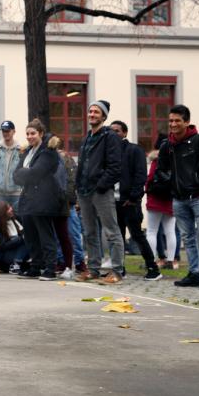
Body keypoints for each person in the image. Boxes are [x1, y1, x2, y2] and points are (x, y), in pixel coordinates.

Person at [157, 105, 199, 289]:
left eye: (177, 120)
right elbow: (160, 170)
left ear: (186, 122)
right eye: (171, 120)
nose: (173, 124)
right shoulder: (166, 145)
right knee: (188, 238)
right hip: (178, 199)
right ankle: (194, 273)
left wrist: (197, 180)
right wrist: (170, 182)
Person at [74, 100, 125, 285]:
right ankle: (94, 269)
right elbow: (82, 165)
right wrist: (78, 189)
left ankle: (117, 271)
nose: (92, 114)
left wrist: (101, 185)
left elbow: (115, 167)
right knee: (89, 232)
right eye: (90, 111)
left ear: (103, 116)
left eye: (96, 112)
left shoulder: (110, 137)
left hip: (101, 191)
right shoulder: (87, 137)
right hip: (84, 191)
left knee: (111, 231)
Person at [109, 120, 162, 281]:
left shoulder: (134, 150)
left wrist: (133, 197)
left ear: (124, 133)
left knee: (137, 235)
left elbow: (140, 176)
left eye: (117, 131)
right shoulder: (109, 152)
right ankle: (120, 269)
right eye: (111, 131)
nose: (114, 134)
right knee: (117, 237)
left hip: (129, 202)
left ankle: (153, 268)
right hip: (113, 201)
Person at [13, 120, 62, 280]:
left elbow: (37, 172)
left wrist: (25, 172)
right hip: (28, 199)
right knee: (31, 236)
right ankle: (35, 266)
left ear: (40, 134)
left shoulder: (48, 152)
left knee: (45, 235)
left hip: (43, 199)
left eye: (33, 133)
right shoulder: (28, 152)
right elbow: (16, 175)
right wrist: (26, 173)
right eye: (27, 134)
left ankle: (50, 268)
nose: (29, 136)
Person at [145, 134, 177, 270]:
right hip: (170, 198)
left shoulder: (156, 161)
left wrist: (147, 190)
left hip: (155, 198)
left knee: (152, 231)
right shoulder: (175, 159)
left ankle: (152, 260)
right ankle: (170, 261)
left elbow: (150, 178)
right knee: (170, 231)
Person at [52, 137, 79, 280]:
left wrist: (69, 200)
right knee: (58, 236)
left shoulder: (67, 160)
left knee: (70, 235)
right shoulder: (50, 159)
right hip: (53, 202)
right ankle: (60, 263)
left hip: (65, 203)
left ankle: (77, 264)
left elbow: (72, 181)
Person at [0, 120, 22, 212]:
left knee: (17, 221)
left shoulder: (21, 150)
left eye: (8, 131)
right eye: (3, 131)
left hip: (16, 193)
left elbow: (25, 169)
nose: (5, 133)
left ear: (14, 131)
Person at [0, 200, 29, 274]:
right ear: (1, 212)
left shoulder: (16, 218)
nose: (11, 209)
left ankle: (17, 264)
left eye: (10, 207)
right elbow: (4, 245)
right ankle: (15, 265)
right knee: (25, 241)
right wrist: (20, 239)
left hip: (19, 252)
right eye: (8, 209)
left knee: (30, 240)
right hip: (4, 256)